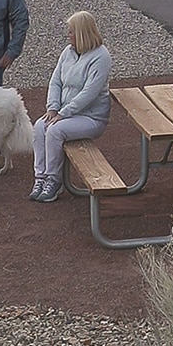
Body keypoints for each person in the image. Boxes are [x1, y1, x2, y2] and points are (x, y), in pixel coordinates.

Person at [31, 11, 112, 203]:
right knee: (39, 126)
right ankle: (40, 177)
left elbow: (90, 93)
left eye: (71, 32)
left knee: (55, 131)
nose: (68, 36)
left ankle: (53, 179)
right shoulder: (67, 52)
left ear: (82, 33)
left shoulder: (101, 57)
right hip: (65, 113)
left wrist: (63, 113)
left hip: (91, 117)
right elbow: (55, 81)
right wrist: (52, 108)